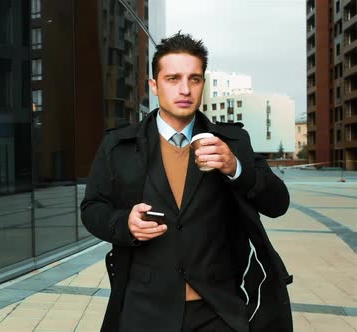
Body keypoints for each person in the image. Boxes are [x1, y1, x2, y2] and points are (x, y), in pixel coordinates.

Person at [80, 32, 293, 332]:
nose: (185, 89)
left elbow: (278, 204)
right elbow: (92, 209)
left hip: (217, 310)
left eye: (194, 79)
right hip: (144, 309)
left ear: (203, 84)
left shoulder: (233, 141)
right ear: (154, 85)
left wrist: (235, 168)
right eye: (173, 78)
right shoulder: (119, 145)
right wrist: (124, 223)